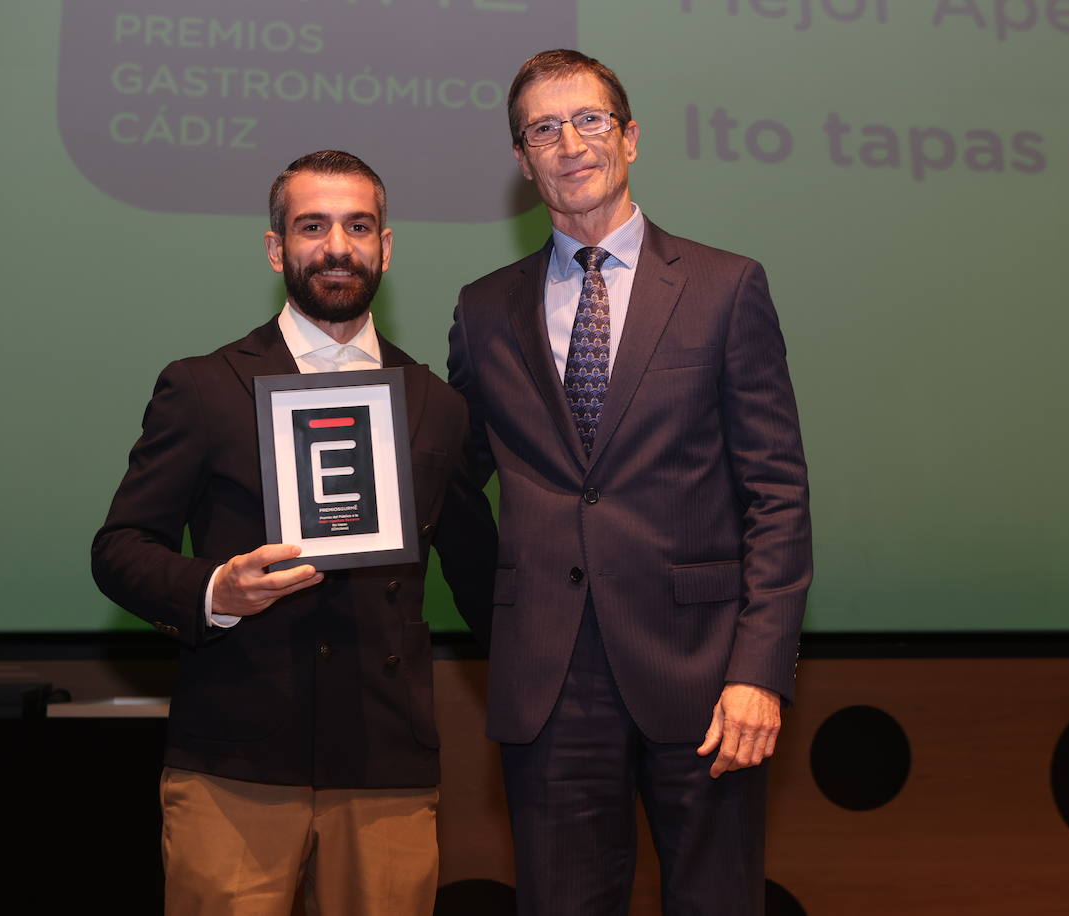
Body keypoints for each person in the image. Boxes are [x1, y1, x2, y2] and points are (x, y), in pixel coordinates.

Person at [447, 50, 813, 915]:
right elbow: (454, 484)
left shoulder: (727, 288)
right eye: (544, 128)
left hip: (706, 678)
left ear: (630, 137)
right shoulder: (482, 308)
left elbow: (778, 496)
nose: (569, 143)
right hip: (548, 683)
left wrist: (760, 670)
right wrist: (499, 612)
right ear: (522, 158)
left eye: (590, 120)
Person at [92, 150, 495, 916]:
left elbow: (485, 579)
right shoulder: (204, 387)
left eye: (358, 226)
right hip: (232, 765)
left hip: (388, 768)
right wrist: (216, 589)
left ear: (386, 247)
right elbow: (120, 550)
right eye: (313, 227)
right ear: (277, 248)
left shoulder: (437, 406)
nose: (336, 247)